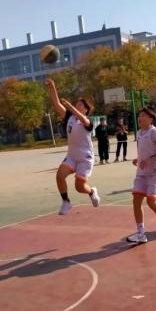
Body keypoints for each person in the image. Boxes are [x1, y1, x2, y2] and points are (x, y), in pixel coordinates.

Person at [46, 78, 100, 215]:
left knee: (79, 187)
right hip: (72, 156)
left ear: (86, 109)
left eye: (80, 105)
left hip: (85, 158)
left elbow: (82, 119)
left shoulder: (88, 122)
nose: (77, 105)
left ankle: (92, 191)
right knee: (59, 176)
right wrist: (52, 87)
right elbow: (56, 103)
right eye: (76, 104)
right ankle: (66, 202)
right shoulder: (69, 117)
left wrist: (71, 107)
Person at [126, 108, 156, 244]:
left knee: (151, 201)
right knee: (136, 200)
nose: (140, 118)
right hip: (141, 172)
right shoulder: (139, 133)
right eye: (139, 115)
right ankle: (140, 234)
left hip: (155, 171)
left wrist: (150, 159)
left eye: (143, 115)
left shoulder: (155, 132)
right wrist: (138, 159)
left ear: (151, 119)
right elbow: (144, 151)